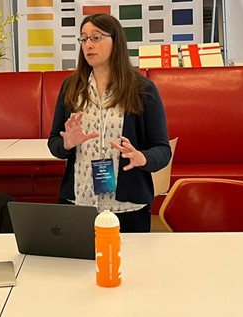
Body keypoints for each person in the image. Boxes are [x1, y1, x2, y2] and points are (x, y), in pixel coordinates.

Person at [48, 13, 171, 233]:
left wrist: (142, 158)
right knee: (76, 267)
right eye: (83, 39)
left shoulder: (142, 89)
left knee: (129, 266)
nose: (88, 45)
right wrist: (67, 145)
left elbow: (162, 150)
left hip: (128, 207)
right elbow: (54, 143)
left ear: (116, 41)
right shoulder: (71, 87)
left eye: (96, 37)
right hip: (79, 203)